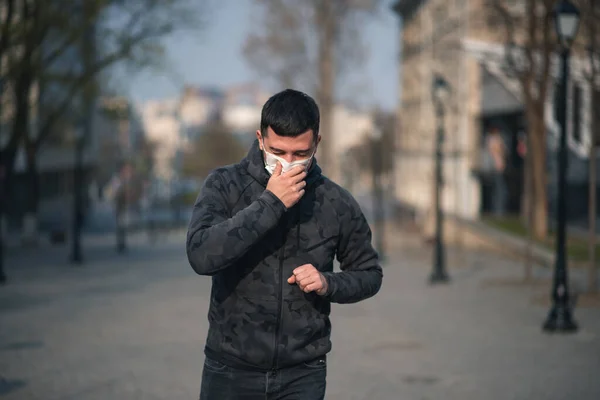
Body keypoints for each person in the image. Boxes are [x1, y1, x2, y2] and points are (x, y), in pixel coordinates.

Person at [187, 89, 383, 399]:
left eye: (300, 154)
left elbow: (370, 274)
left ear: (317, 143)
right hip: (230, 370)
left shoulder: (336, 201)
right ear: (261, 139)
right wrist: (270, 203)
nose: (288, 163)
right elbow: (200, 255)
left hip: (302, 374)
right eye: (278, 151)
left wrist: (328, 283)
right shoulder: (224, 185)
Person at [486, 126, 508, 216]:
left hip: (499, 167)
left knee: (500, 190)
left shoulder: (495, 140)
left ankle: (498, 210)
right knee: (498, 190)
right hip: (496, 168)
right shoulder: (493, 140)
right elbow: (495, 150)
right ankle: (498, 211)